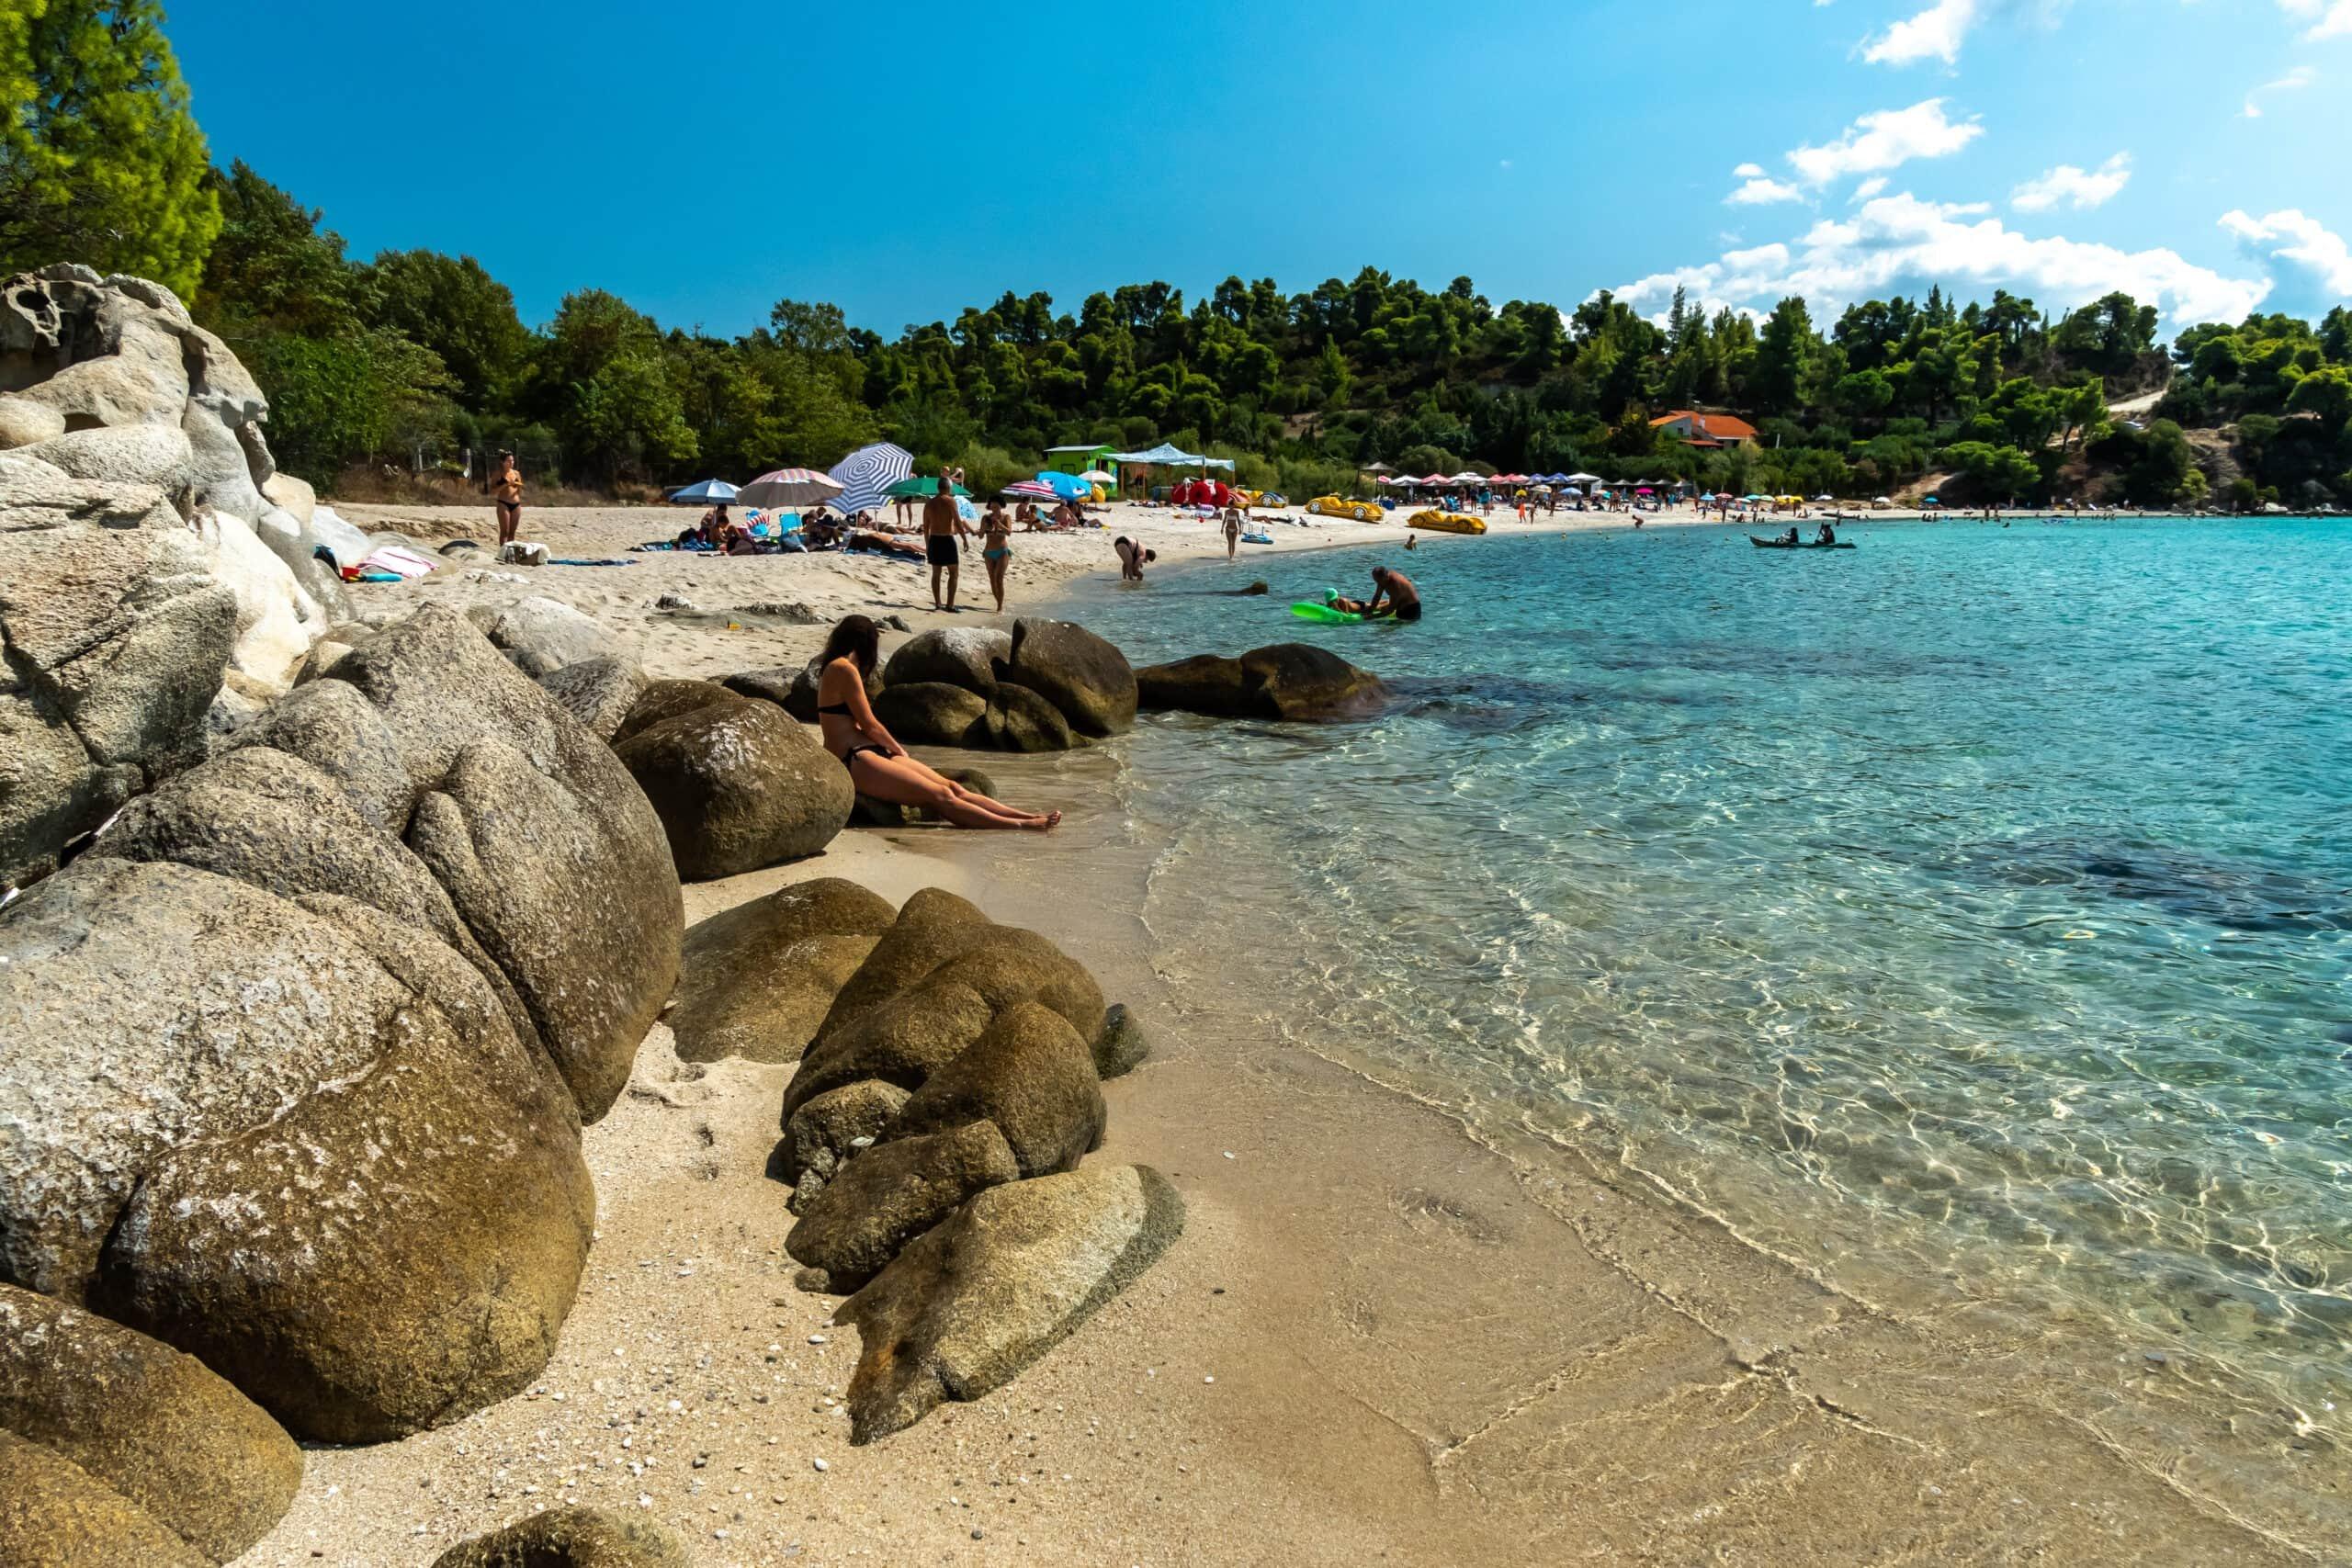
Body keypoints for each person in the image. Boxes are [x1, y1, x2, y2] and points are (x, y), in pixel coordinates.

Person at [814, 616, 1059, 830]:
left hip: (867, 751)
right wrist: (898, 750)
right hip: (853, 758)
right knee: (939, 795)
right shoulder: (843, 669)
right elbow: (869, 724)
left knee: (954, 787)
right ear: (868, 643)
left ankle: (1026, 815)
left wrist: (891, 750)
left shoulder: (839, 667)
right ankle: (1021, 825)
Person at [922, 476, 967, 611]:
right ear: (948, 487)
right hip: (947, 539)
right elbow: (958, 522)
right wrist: (964, 538)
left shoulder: (929, 503)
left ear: (938, 487)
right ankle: (950, 604)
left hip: (934, 539)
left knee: (936, 573)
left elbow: (926, 526)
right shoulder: (950, 501)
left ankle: (937, 603)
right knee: (954, 573)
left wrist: (928, 544)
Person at [979, 499, 1013, 613]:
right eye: (992, 506)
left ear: (1001, 506)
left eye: (996, 506)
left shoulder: (1006, 517)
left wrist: (999, 525)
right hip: (989, 552)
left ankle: (1000, 606)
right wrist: (983, 528)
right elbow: (980, 536)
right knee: (992, 579)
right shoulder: (986, 518)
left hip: (1002, 551)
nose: (994, 509)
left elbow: (1009, 532)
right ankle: (998, 601)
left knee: (999, 578)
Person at [492, 452, 523, 547]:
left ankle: (511, 552)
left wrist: (517, 491)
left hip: (516, 504)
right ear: (502, 462)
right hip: (503, 503)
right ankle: (503, 552)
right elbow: (493, 491)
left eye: (512, 460)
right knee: (505, 531)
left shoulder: (516, 473)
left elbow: (519, 489)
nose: (511, 462)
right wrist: (506, 484)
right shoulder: (498, 474)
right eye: (508, 461)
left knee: (512, 532)